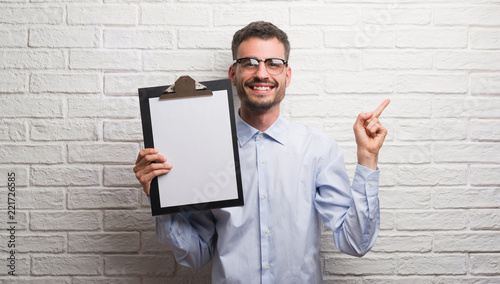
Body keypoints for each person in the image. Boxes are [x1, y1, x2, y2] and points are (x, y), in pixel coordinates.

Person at [134, 21, 390, 284]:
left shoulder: (318, 150)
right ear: (233, 74)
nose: (261, 74)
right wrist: (161, 198)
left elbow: (355, 243)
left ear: (287, 75)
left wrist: (367, 159)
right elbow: (196, 254)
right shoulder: (204, 151)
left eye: (273, 63)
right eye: (250, 63)